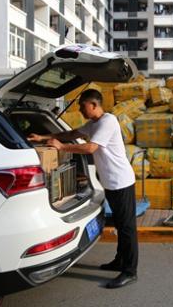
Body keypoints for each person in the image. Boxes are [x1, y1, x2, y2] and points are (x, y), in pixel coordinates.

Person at [28, 89, 138, 289]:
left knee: (128, 228)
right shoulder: (94, 124)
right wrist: (43, 137)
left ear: (93, 105)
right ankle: (120, 261)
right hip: (111, 183)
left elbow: (90, 148)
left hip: (121, 182)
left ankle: (130, 271)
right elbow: (71, 133)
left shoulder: (108, 121)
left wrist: (61, 147)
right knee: (122, 226)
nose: (80, 109)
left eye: (82, 105)